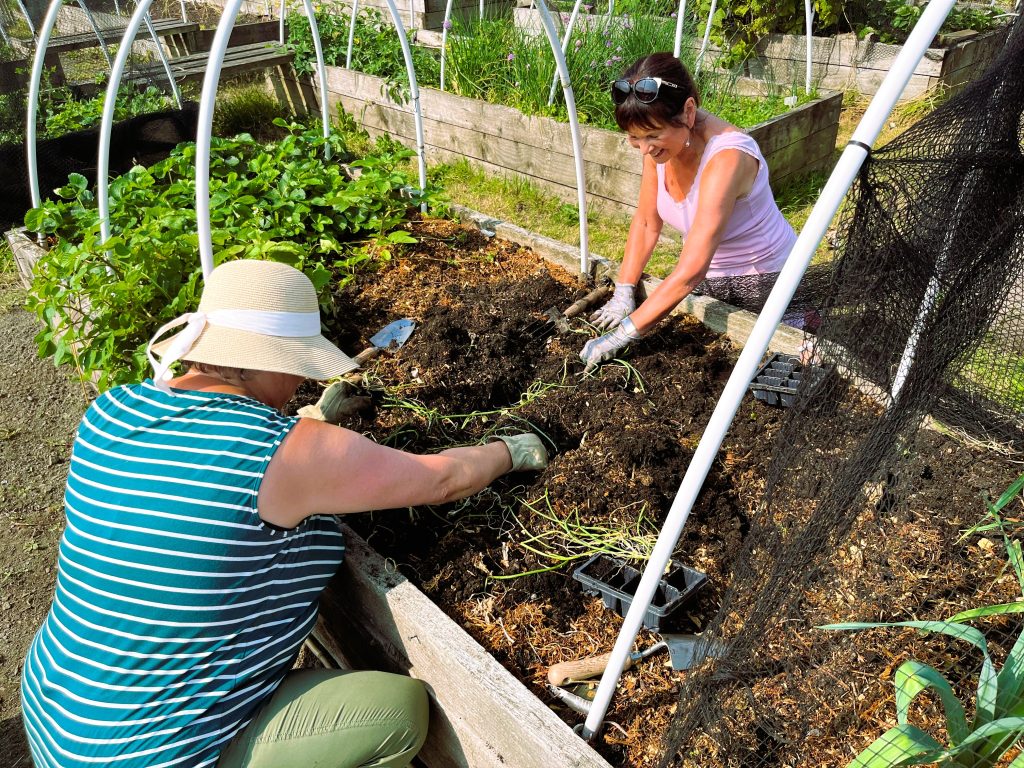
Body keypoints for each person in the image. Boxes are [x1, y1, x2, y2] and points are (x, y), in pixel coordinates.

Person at [20, 259, 548, 768]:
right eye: (296, 365)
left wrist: (312, 426)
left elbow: (210, 471)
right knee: (396, 712)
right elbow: (440, 479)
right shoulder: (279, 451)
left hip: (60, 705)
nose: (303, 381)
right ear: (262, 359)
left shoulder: (113, 410)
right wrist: (511, 449)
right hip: (150, 753)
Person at [580, 53, 800, 373]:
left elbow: (691, 268)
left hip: (768, 284)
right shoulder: (658, 144)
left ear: (688, 111)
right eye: (635, 139)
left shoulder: (728, 157)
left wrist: (622, 334)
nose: (645, 149)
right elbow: (645, 222)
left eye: (653, 136)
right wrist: (625, 290)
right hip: (710, 286)